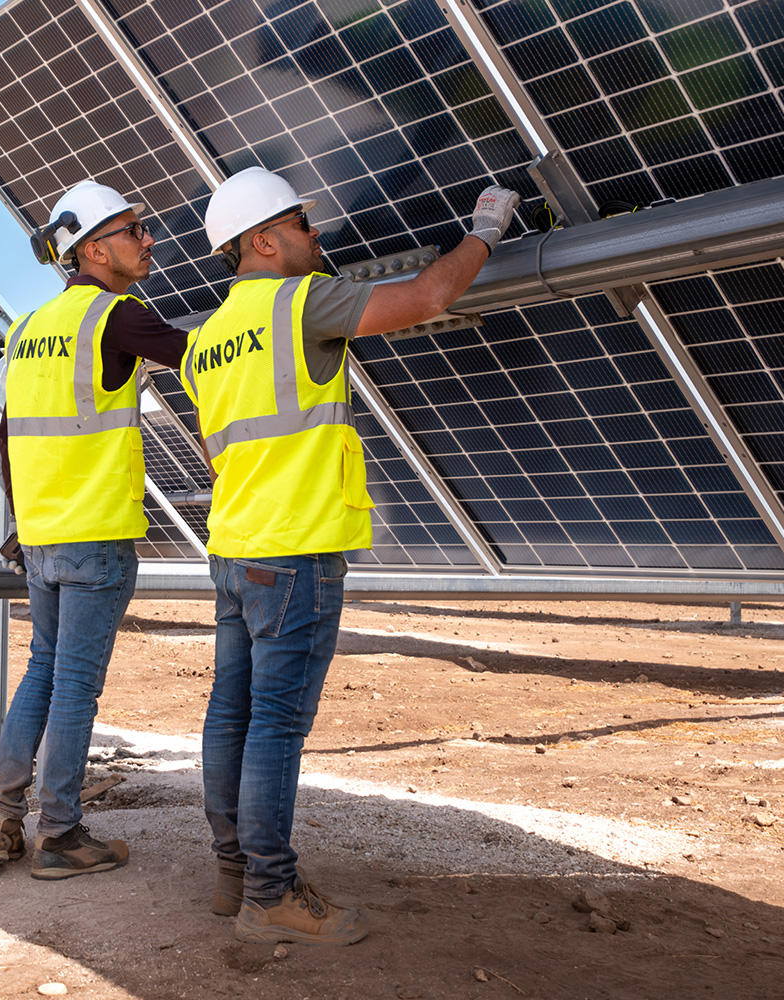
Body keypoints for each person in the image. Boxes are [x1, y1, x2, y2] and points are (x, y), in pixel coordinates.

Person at [180, 167, 519, 943]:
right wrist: (486, 230)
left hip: (235, 551)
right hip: (298, 553)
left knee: (229, 719)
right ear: (263, 239)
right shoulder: (302, 302)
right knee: (273, 729)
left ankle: (234, 876)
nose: (318, 235)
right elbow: (429, 297)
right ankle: (272, 897)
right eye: (303, 223)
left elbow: (215, 457)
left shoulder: (203, 342)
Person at [0, 180, 189, 880]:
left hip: (41, 539)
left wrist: (21, 522)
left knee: (42, 671)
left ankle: (1, 819)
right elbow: (208, 356)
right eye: (136, 230)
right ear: (93, 249)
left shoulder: (27, 329)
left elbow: (8, 435)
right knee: (73, 686)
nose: (149, 239)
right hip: (95, 535)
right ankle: (60, 834)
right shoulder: (117, 317)